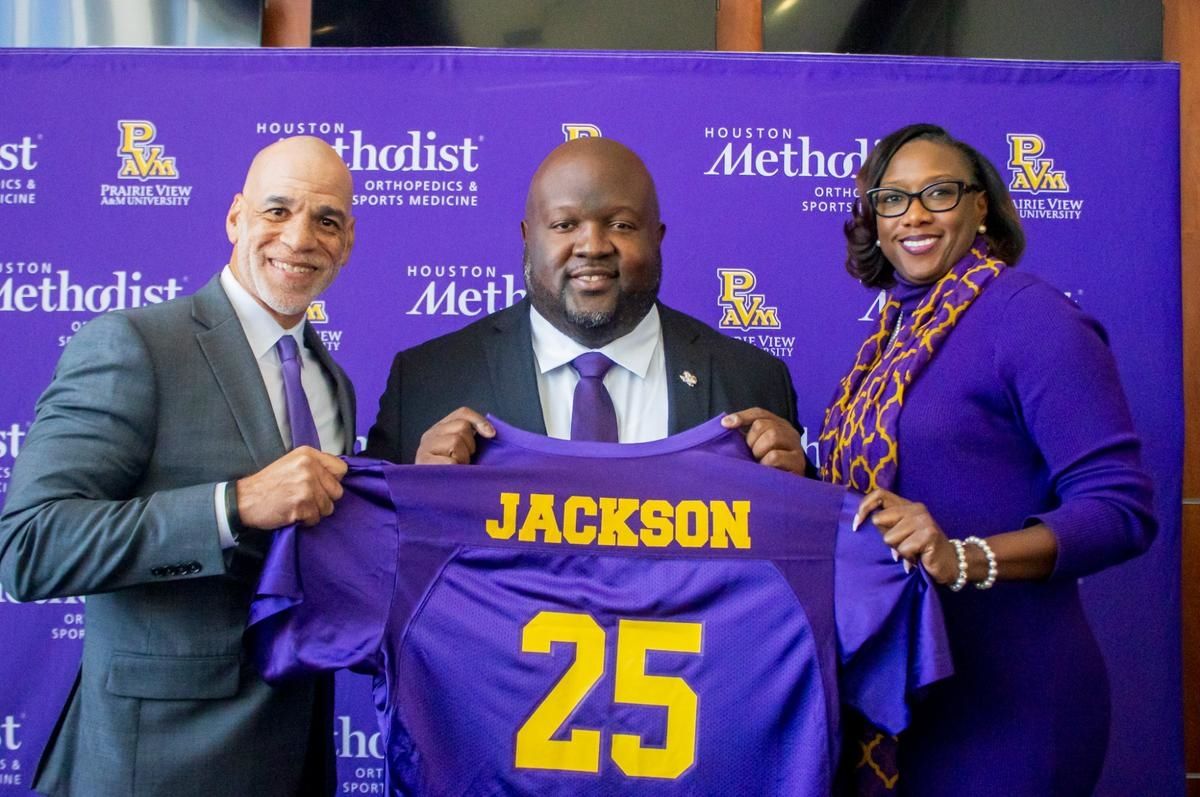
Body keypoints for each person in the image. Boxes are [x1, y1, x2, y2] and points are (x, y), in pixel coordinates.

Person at [0, 135, 358, 797]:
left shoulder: (330, 380)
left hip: (295, 755)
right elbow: (29, 546)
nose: (300, 236)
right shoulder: (136, 345)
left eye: (326, 219)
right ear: (234, 218)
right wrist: (233, 504)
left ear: (348, 240)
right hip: (157, 764)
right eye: (277, 210)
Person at [819, 123, 1156, 795]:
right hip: (903, 701)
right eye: (892, 198)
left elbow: (1122, 509)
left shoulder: (1030, 317)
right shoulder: (891, 334)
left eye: (939, 192)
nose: (914, 214)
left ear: (981, 208)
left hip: (1010, 703)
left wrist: (964, 555)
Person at [366, 136, 810, 472]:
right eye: (564, 224)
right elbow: (381, 555)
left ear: (657, 239)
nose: (592, 246)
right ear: (527, 239)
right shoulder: (426, 383)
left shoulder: (754, 382)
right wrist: (416, 488)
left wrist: (793, 486)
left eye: (620, 224)